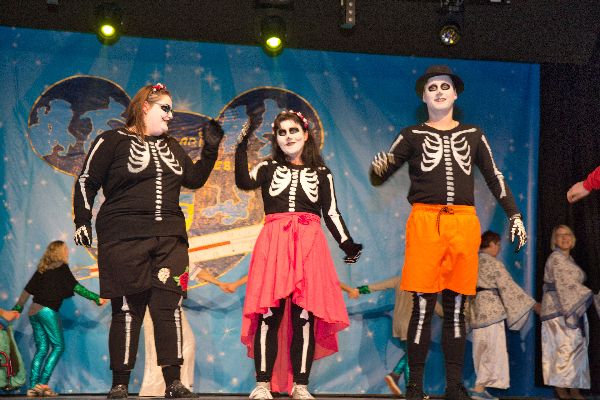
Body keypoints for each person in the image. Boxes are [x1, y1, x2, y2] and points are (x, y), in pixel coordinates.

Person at [369, 65, 527, 400]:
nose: (439, 92)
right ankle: (414, 386)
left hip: (463, 223)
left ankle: (454, 386)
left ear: (455, 94)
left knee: (457, 308)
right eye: (432, 88)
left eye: (445, 86)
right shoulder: (411, 135)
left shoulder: (473, 134)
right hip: (425, 222)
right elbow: (381, 173)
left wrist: (514, 213)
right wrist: (377, 169)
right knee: (422, 306)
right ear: (423, 97)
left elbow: (494, 175)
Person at [72, 83, 224, 399]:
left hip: (170, 237)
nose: (170, 115)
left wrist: (210, 149)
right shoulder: (111, 140)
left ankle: (174, 382)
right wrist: (82, 220)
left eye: (171, 109)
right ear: (144, 107)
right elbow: (87, 180)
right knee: (127, 309)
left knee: (169, 307)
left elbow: (194, 179)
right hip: (123, 236)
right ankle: (120, 384)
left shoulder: (172, 146)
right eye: (164, 108)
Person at [235, 110, 363, 399]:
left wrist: (347, 244)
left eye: (293, 131)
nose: (288, 137)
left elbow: (331, 213)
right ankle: (262, 384)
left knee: (304, 315)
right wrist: (241, 144)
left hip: (308, 245)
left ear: (306, 135)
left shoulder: (322, 173)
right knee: (269, 313)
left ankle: (301, 385)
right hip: (275, 243)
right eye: (282, 132)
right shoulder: (267, 167)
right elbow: (243, 181)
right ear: (276, 139)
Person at [12, 240, 105, 397]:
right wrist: (96, 298)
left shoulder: (42, 269)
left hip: (33, 311)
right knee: (58, 346)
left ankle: (33, 387)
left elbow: (27, 291)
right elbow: (77, 287)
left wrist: (18, 308)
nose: (67, 252)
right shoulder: (62, 268)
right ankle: (42, 384)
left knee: (42, 349)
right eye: (65, 249)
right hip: (47, 311)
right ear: (60, 252)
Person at [138, 269, 233, 397]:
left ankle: (179, 385)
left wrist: (219, 283)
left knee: (186, 344)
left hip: (172, 306)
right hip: (157, 306)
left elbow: (194, 269)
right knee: (159, 348)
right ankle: (157, 389)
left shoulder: (176, 258)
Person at [467, 231, 537, 400]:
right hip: (492, 310)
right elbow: (508, 286)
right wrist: (532, 304)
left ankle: (479, 387)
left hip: (476, 309)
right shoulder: (494, 263)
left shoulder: (472, 262)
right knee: (492, 348)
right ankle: (479, 388)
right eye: (498, 245)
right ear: (492, 244)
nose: (499, 249)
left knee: (480, 348)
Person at [356, 278, 443, 396]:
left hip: (399, 325)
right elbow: (436, 307)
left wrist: (360, 290)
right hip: (412, 326)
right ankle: (411, 390)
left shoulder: (400, 280)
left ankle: (398, 377)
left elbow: (379, 285)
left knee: (410, 355)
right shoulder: (423, 284)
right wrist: (453, 315)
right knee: (412, 358)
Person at [540, 225, 592, 400]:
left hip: (570, 308)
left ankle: (575, 388)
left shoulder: (569, 260)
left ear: (573, 239)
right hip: (557, 311)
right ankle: (562, 390)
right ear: (554, 240)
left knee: (575, 348)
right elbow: (565, 284)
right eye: (560, 235)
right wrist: (590, 295)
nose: (564, 238)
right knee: (561, 349)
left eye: (568, 234)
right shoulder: (556, 258)